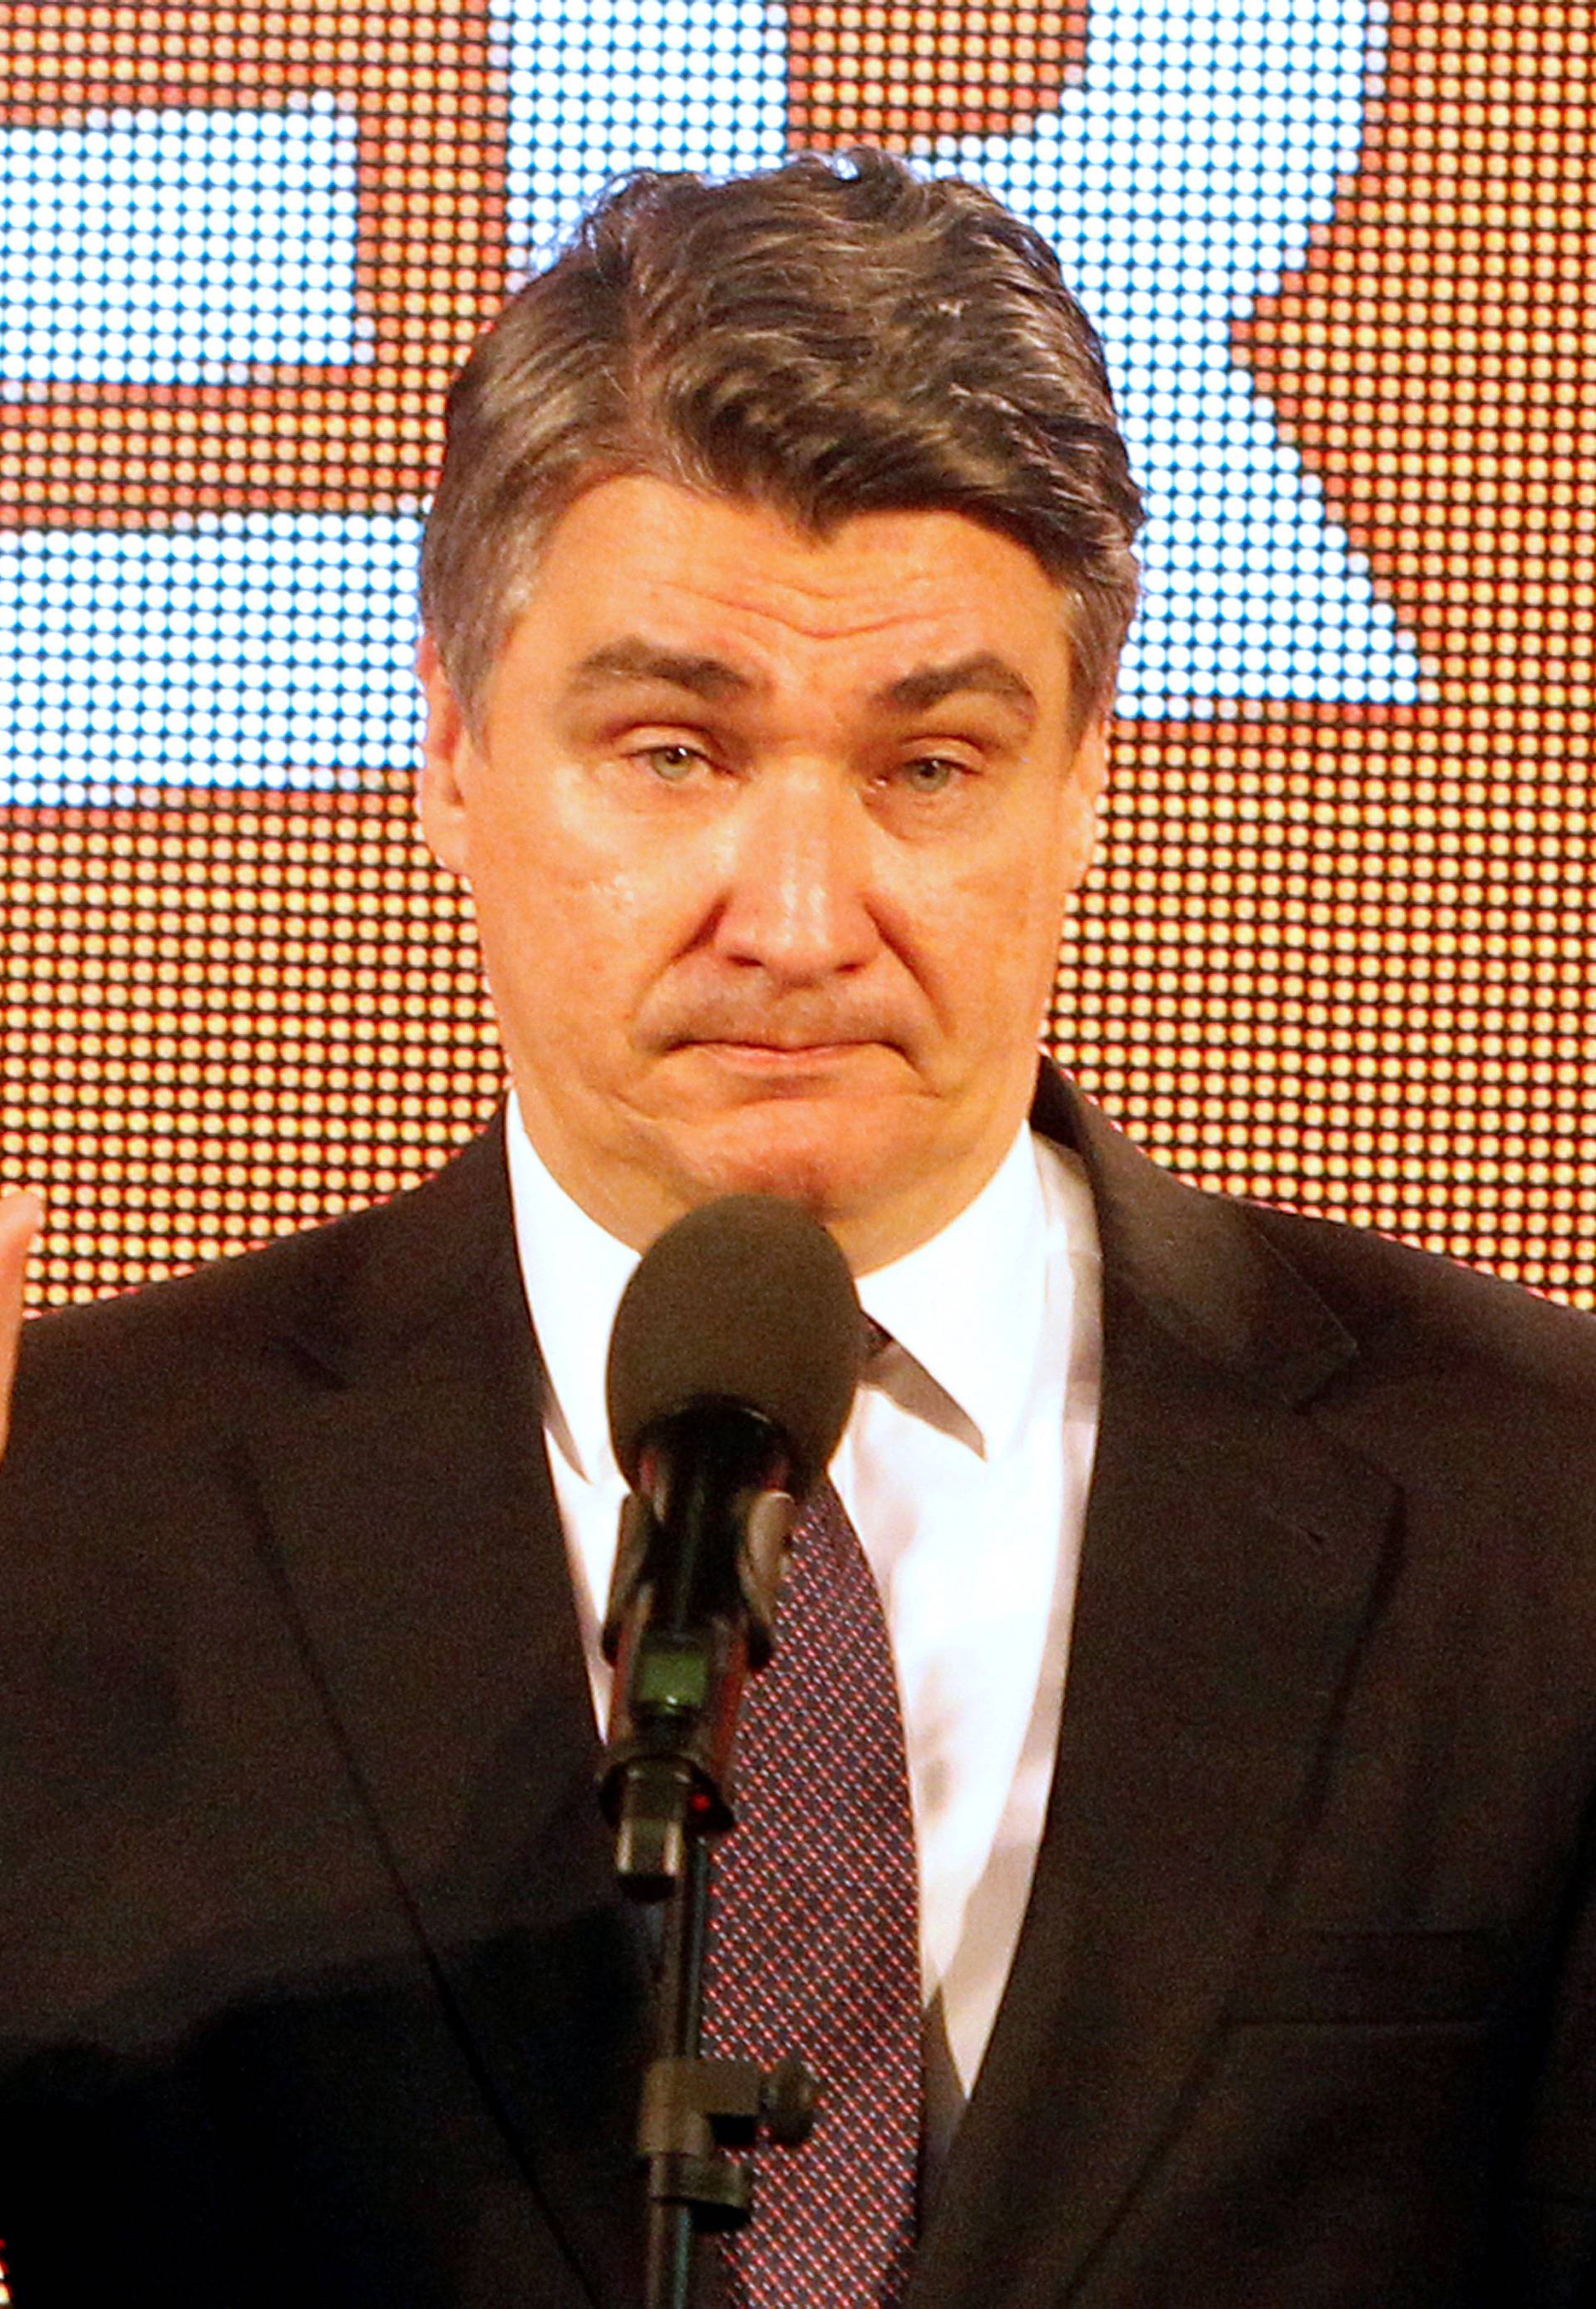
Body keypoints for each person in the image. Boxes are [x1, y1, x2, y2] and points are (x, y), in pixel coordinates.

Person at [1, 149, 1594, 2309]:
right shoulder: (75, 1493)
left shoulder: (1530, 1502)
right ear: (455, 743)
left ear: (1090, 781)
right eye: (674, 749)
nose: (804, 916)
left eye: (931, 764)